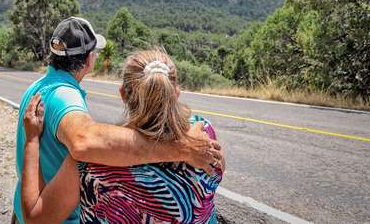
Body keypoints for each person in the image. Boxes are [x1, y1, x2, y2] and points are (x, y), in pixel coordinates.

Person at [13, 17, 225, 224]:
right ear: (175, 92)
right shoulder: (203, 134)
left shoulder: (38, 90)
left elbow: (35, 214)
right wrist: (182, 148)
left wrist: (32, 140)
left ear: (123, 94)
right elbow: (84, 140)